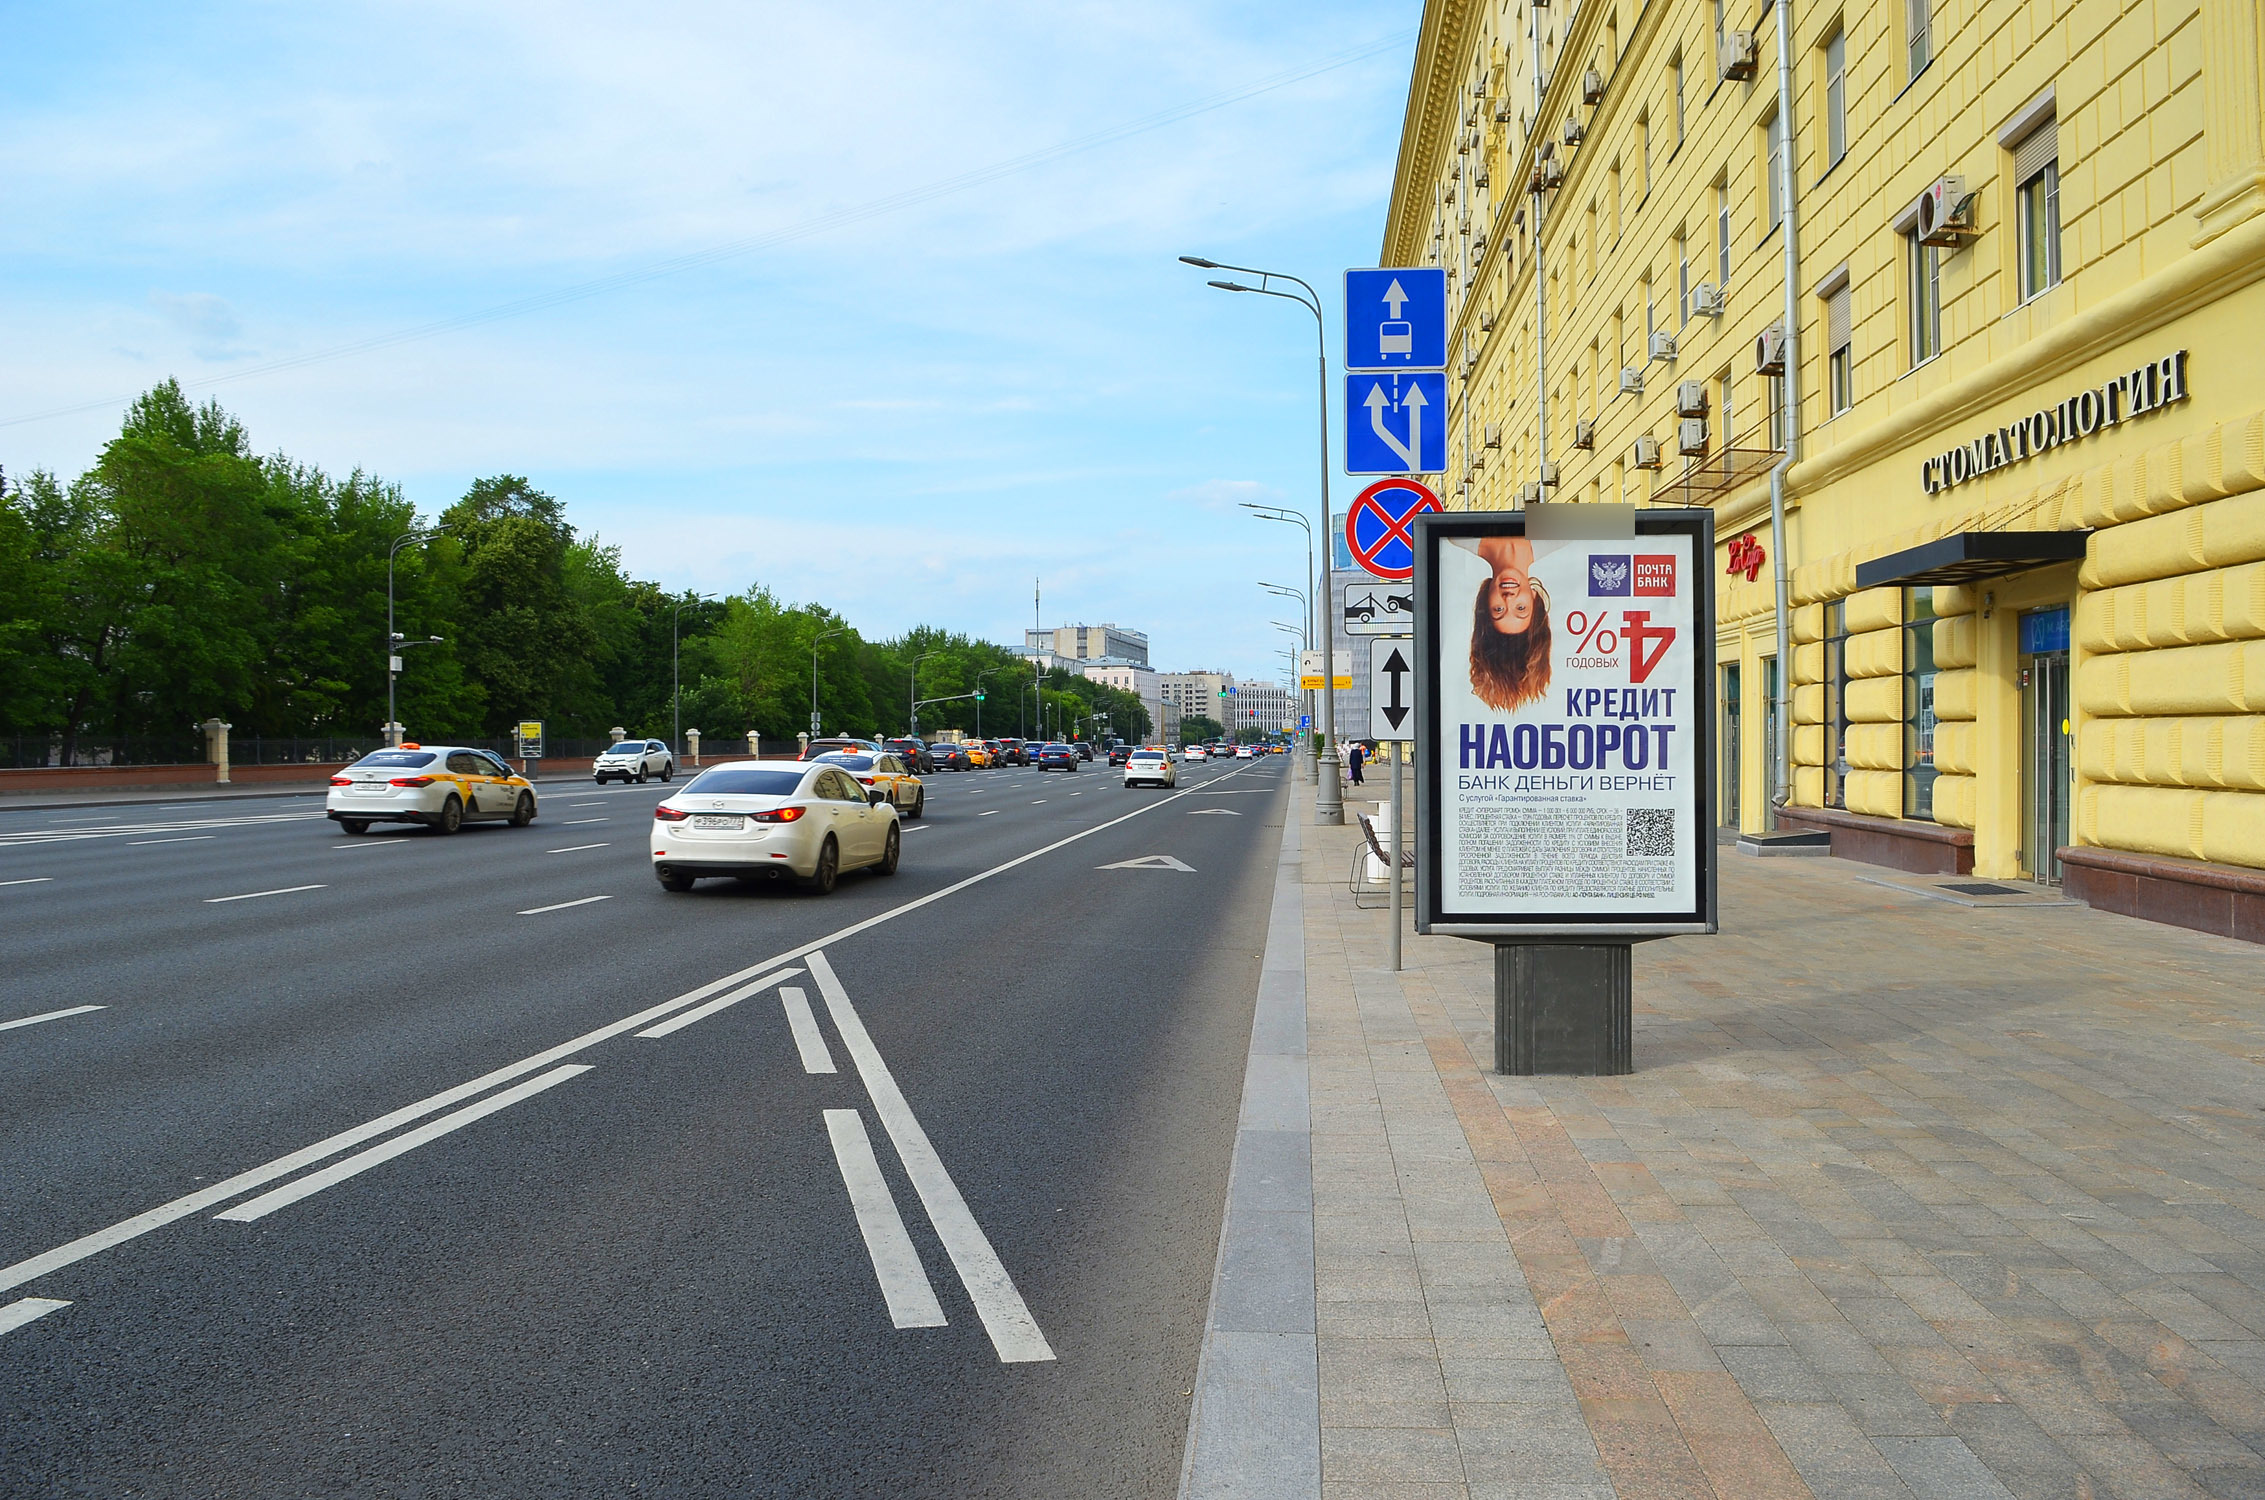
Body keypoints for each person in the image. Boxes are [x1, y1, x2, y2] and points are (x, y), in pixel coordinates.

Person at [1458, 532, 1554, 711]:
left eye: (1499, 610)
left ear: (1486, 600)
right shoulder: (1559, 537)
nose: (1509, 598)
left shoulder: (1457, 537)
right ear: (1534, 598)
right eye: (1521, 609)